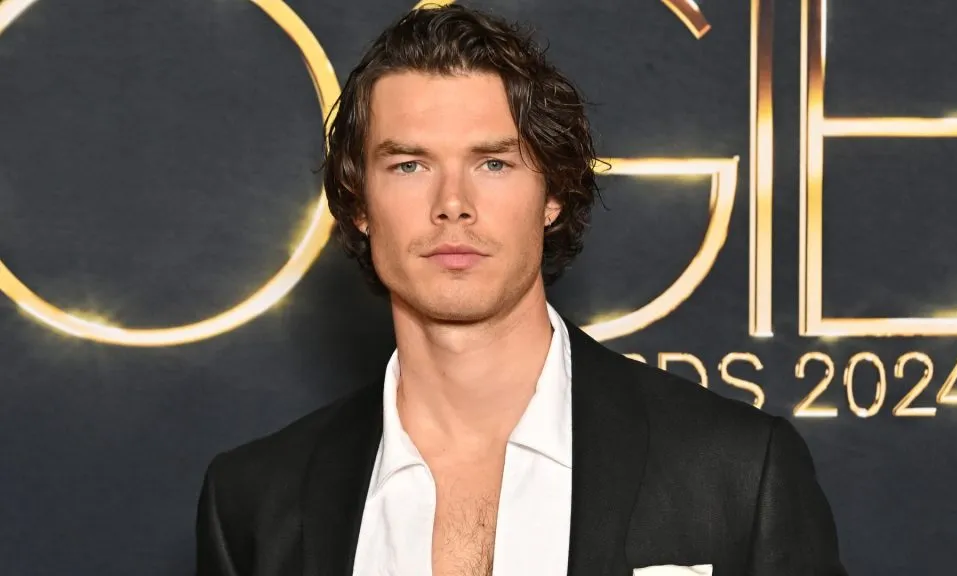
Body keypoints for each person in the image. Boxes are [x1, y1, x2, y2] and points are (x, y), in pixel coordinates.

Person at [196, 4, 846, 576]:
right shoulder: (256, 502)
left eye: (493, 163)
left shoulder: (736, 474)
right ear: (359, 203)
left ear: (552, 194)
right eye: (410, 164)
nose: (453, 203)